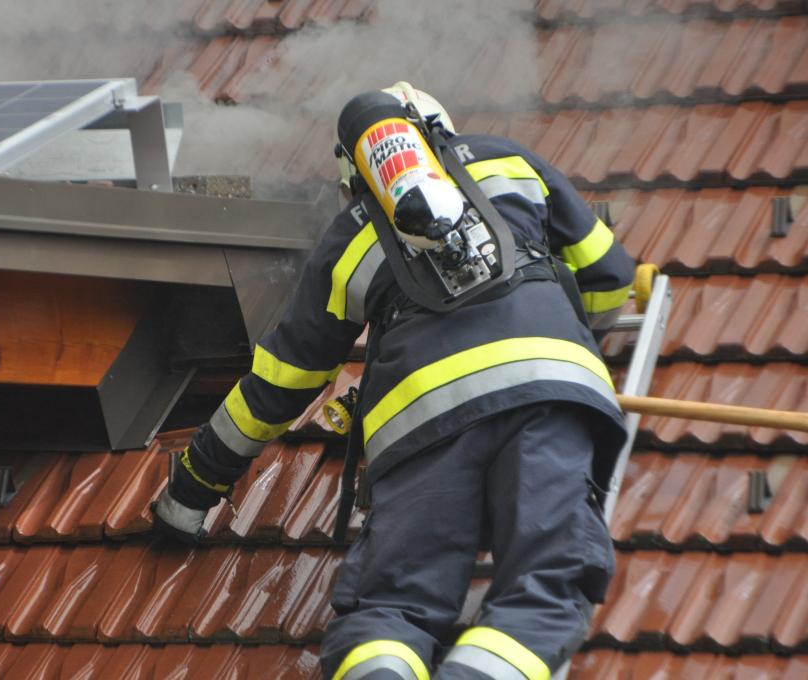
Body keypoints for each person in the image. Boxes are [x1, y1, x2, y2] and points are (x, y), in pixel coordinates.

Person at [153, 82, 634, 680]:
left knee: (392, 607)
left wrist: (192, 488)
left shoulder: (348, 236)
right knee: (547, 584)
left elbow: (280, 383)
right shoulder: (510, 161)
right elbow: (612, 278)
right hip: (548, 394)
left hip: (420, 423)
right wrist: (566, 335)